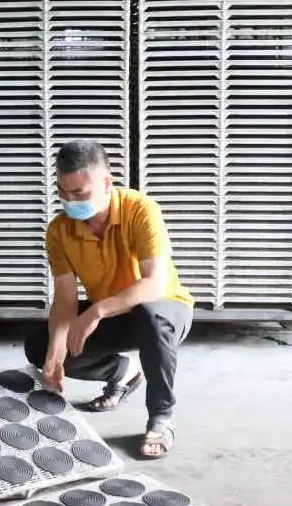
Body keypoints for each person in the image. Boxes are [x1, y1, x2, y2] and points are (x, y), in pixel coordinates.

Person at [25, 140, 194, 459]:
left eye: (79, 193)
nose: (70, 202)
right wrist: (55, 354)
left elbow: (154, 283)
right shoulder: (59, 230)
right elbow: (65, 300)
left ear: (106, 183)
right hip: (113, 317)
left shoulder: (140, 209)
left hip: (165, 308)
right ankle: (122, 373)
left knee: (151, 316)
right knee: (39, 345)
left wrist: (97, 311)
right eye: (63, 192)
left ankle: (161, 418)